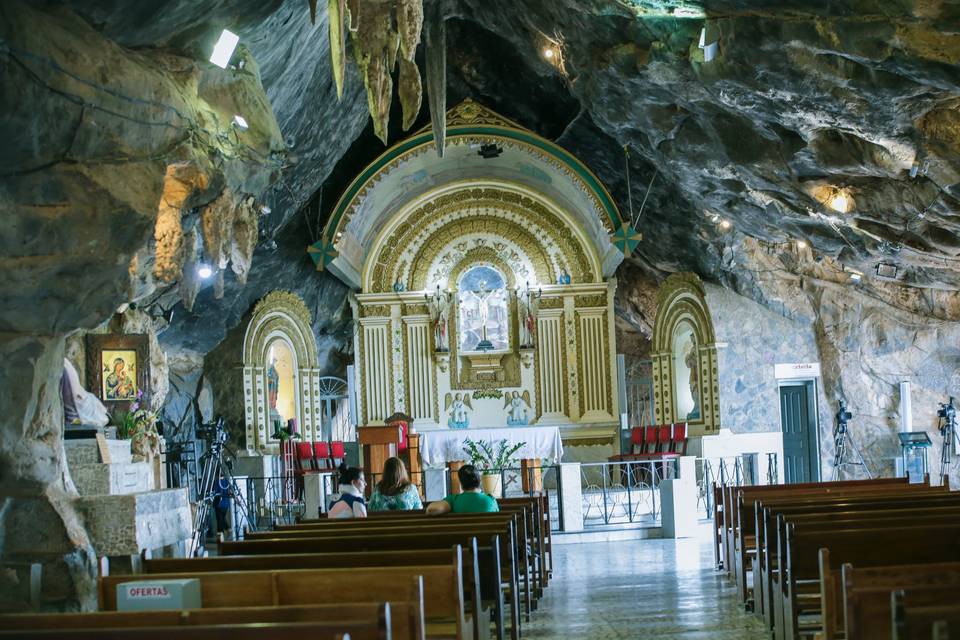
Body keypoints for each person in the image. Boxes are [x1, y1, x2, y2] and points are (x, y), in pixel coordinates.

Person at [426, 464, 499, 514]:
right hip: (486, 536)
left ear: (461, 483)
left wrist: (449, 505)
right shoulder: (490, 500)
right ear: (479, 481)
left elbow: (431, 510)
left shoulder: (454, 500)